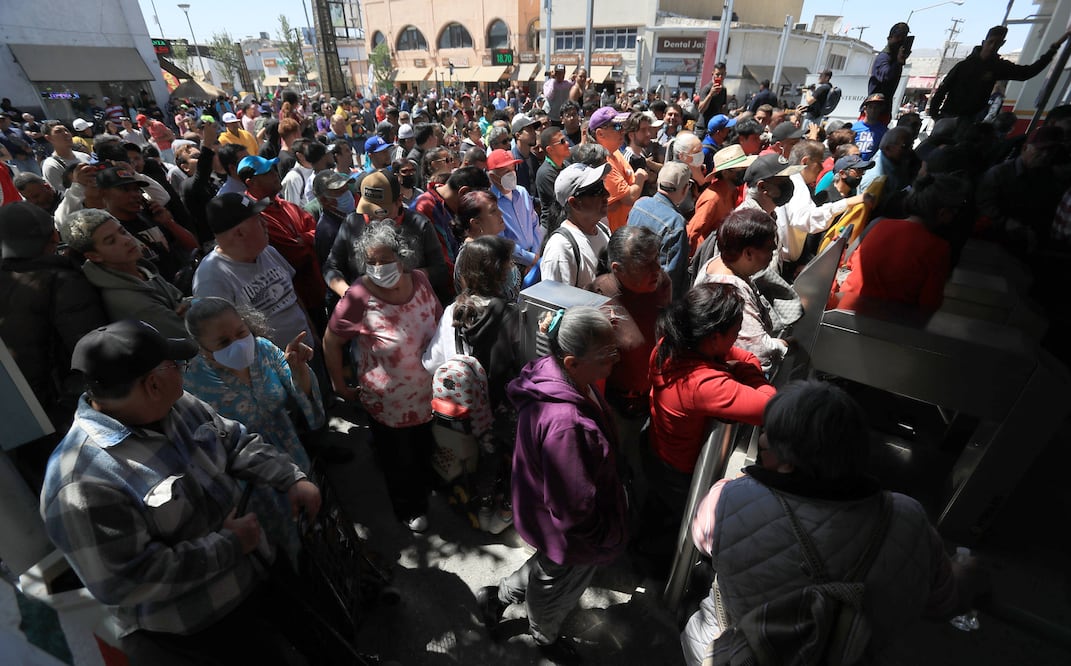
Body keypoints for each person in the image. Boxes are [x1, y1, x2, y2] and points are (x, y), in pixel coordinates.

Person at [40, 319, 323, 665]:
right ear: (153, 384)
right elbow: (126, 580)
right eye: (177, 365)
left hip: (262, 574)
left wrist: (290, 478)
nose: (184, 371)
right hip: (206, 630)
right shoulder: (79, 484)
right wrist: (230, 545)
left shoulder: (178, 404)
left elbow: (234, 442)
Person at [682, 380, 981, 666]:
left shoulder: (727, 498)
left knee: (703, 582)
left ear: (788, 462)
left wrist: (739, 489)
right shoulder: (909, 519)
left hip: (741, 655)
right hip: (845, 655)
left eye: (769, 436)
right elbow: (943, 603)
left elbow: (701, 539)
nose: (761, 439)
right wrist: (967, 571)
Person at [475, 306, 628, 665]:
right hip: (572, 532)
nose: (615, 360)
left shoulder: (554, 373)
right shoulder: (566, 424)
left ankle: (498, 597)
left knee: (549, 567)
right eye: (606, 354)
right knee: (556, 588)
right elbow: (573, 508)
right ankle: (544, 634)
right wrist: (604, 537)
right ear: (572, 362)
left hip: (549, 521)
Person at [641, 283, 776, 568]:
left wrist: (738, 362)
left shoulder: (670, 343)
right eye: (735, 333)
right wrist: (748, 370)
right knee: (673, 528)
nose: (737, 339)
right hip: (678, 472)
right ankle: (657, 570)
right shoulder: (704, 384)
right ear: (713, 338)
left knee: (655, 512)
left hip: (656, 447)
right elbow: (772, 407)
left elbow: (738, 354)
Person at [323, 221, 442, 532]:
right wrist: (339, 385)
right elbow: (331, 341)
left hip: (428, 394)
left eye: (385, 259)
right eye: (371, 261)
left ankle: (424, 487)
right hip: (388, 404)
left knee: (423, 447)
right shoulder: (359, 296)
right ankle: (408, 508)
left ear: (402, 257)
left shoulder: (420, 281)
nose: (378, 267)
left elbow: (439, 322)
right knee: (397, 458)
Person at [183, 297, 323, 562]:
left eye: (241, 333)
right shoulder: (192, 383)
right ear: (203, 348)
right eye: (223, 342)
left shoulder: (264, 350)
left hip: (293, 459)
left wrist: (299, 369)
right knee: (278, 550)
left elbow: (300, 394)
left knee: (315, 529)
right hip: (249, 482)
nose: (238, 344)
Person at [422, 235, 524, 533]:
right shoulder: (511, 314)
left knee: (477, 457)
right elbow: (523, 366)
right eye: (509, 264)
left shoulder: (453, 311)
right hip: (501, 409)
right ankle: (500, 511)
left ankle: (479, 505)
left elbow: (431, 363)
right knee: (504, 458)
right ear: (499, 272)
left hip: (465, 409)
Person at [0, 202, 107, 486]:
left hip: (22, 421)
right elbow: (91, 350)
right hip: (70, 416)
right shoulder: (62, 280)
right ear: (53, 237)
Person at [589, 226, 671, 502]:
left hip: (657, 399)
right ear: (618, 269)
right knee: (621, 467)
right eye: (646, 264)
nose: (657, 269)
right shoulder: (599, 295)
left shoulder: (661, 284)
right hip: (619, 409)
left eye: (657, 259)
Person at [194, 193, 315, 351]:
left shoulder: (267, 251)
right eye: (258, 219)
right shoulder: (210, 278)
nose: (265, 223)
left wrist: (312, 332)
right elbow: (221, 341)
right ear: (239, 233)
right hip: (273, 365)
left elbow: (293, 296)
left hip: (307, 351)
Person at [835, 172, 971, 312]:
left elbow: (851, 265)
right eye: (955, 211)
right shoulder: (938, 248)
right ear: (943, 213)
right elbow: (929, 304)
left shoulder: (879, 225)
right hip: (885, 321)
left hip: (842, 309)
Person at [324, 168, 451, 305]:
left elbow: (440, 269)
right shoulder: (352, 223)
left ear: (399, 201)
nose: (373, 217)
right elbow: (331, 267)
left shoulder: (419, 225)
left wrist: (407, 280)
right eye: (367, 209)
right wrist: (350, 294)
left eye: (379, 211)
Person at [66, 208, 188, 339]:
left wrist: (192, 305)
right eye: (111, 241)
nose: (126, 240)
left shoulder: (139, 268)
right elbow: (189, 335)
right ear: (94, 256)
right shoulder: (129, 301)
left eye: (123, 231)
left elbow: (181, 300)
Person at [694, 209, 787, 373]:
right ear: (748, 253)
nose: (772, 255)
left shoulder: (719, 262)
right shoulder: (731, 290)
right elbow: (758, 350)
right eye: (769, 250)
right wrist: (782, 345)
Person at [930, 25, 1071, 123]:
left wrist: (1053, 49)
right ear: (984, 42)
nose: (992, 46)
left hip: (970, 120)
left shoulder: (998, 67)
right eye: (990, 42)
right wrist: (935, 115)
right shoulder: (963, 66)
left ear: (1002, 44)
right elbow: (943, 89)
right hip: (949, 115)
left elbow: (1027, 72)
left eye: (997, 43)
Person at [626, 161, 691, 297]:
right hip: (653, 298)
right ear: (685, 189)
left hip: (629, 284)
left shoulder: (639, 204)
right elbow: (670, 275)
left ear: (658, 182)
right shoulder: (675, 223)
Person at [540, 163, 611, 288]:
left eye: (602, 185)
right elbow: (557, 299)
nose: (606, 194)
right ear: (575, 203)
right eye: (597, 190)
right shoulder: (561, 249)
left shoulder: (603, 230)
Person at [589, 106, 647, 231]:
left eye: (622, 126)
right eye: (616, 127)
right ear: (600, 134)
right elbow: (630, 198)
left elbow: (624, 198)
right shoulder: (602, 163)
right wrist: (640, 178)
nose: (622, 131)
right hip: (612, 233)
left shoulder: (615, 152)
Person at [487, 148, 543, 270]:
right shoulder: (490, 203)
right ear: (493, 177)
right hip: (513, 265)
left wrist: (536, 254)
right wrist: (530, 259)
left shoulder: (522, 192)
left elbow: (534, 223)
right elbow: (501, 241)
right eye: (506, 171)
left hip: (536, 257)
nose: (512, 174)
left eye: (513, 169)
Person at [869, 23, 912, 106]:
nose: (900, 40)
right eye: (897, 36)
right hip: (874, 108)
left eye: (903, 37)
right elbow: (885, 76)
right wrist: (898, 62)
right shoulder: (884, 57)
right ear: (889, 38)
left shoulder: (894, 58)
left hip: (884, 106)